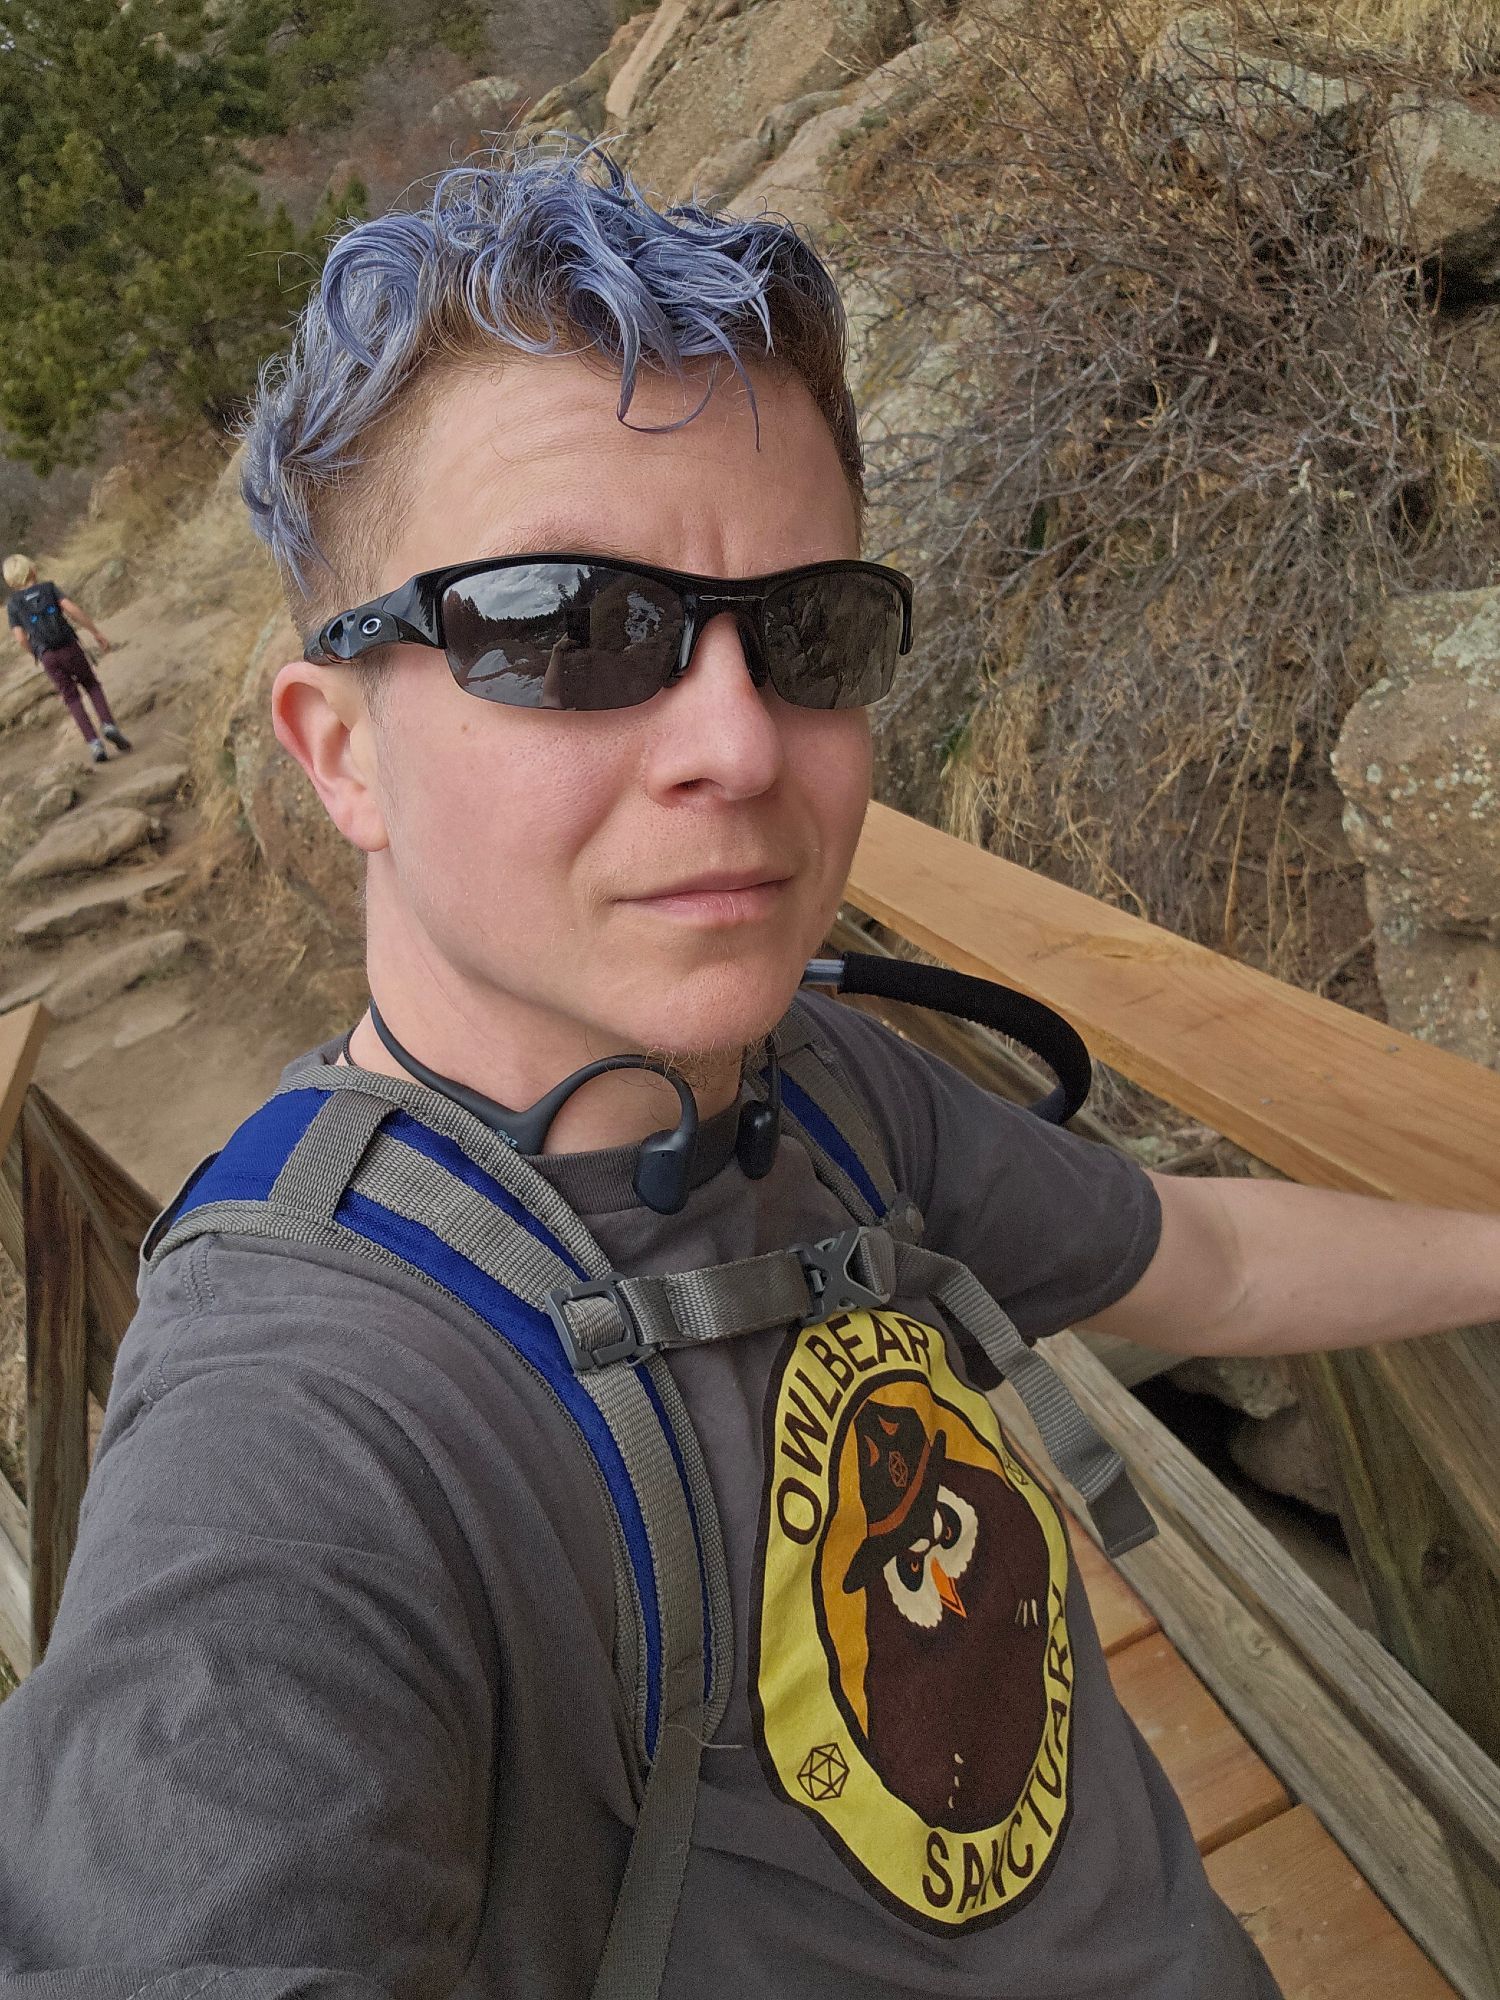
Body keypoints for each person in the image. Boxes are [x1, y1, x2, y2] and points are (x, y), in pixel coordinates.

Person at [0, 144, 1497, 2000]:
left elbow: (1209, 1262)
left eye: (809, 635)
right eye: (565, 626)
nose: (737, 740)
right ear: (341, 751)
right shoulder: (306, 1431)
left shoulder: (825, 1091)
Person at [3, 553, 131, 764]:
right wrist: (96, 632)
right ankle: (108, 725)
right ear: (32, 570)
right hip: (69, 647)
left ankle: (94, 744)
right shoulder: (49, 588)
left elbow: (19, 638)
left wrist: (36, 653)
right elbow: (72, 609)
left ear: (10, 581)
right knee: (91, 685)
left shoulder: (14, 605)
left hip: (48, 655)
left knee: (71, 698)